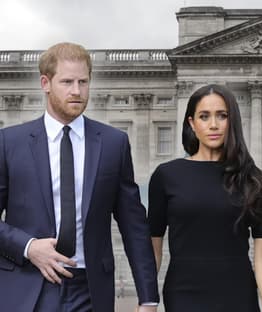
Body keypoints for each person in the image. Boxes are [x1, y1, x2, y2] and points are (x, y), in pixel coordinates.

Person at [0, 42, 159, 312]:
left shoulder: (113, 143)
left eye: (83, 82)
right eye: (67, 82)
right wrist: (28, 247)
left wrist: (148, 298)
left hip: (89, 288)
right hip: (27, 283)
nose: (77, 91)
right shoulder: (9, 142)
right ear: (45, 83)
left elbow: (134, 225)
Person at [149, 84, 262, 312]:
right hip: (183, 294)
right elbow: (153, 250)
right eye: (204, 116)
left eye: (222, 116)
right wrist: (147, 303)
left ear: (233, 121)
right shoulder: (165, 176)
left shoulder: (255, 180)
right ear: (191, 123)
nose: (214, 125)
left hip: (238, 296)